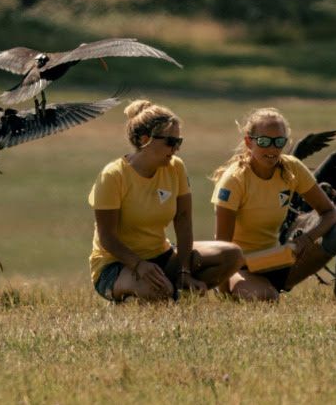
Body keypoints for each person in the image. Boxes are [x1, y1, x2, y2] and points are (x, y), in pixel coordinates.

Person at [89, 100, 243, 302]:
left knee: (233, 255)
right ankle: (152, 294)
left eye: (179, 142)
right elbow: (107, 238)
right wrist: (139, 265)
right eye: (170, 142)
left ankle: (175, 292)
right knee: (158, 293)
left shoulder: (175, 167)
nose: (176, 149)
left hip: (161, 255)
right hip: (117, 263)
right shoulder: (113, 176)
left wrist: (185, 271)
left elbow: (183, 220)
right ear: (145, 139)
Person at [211, 107, 336, 300]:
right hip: (243, 266)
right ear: (248, 142)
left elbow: (330, 212)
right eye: (264, 142)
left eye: (279, 142)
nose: (272, 149)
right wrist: (224, 292)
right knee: (266, 298)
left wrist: (307, 239)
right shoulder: (234, 180)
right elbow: (222, 247)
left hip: (280, 260)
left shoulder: (292, 167)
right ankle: (260, 290)